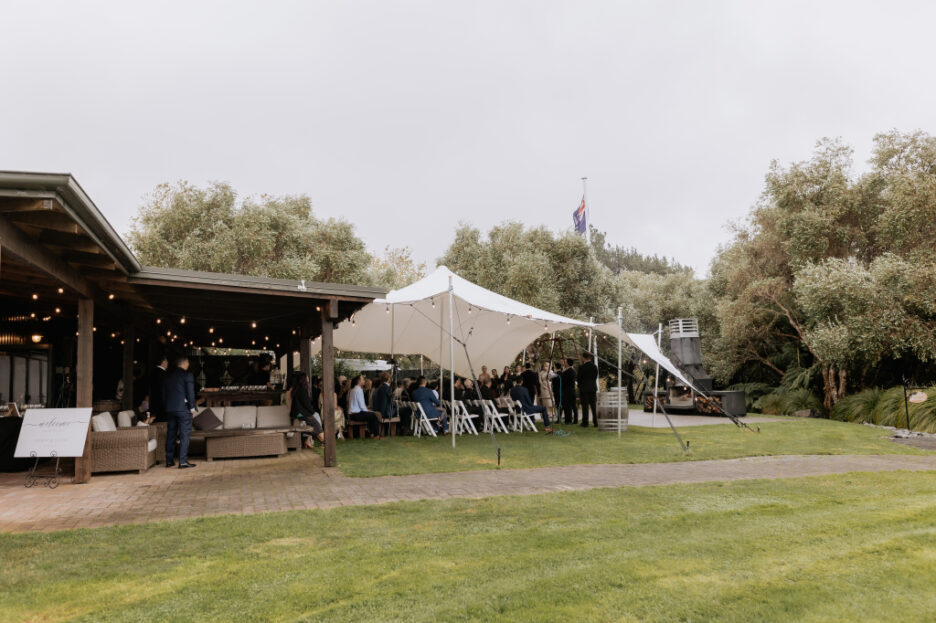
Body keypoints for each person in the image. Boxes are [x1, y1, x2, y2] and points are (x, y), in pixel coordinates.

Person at [163, 356, 197, 468]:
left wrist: (167, 406)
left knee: (171, 435)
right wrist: (192, 407)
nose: (188, 365)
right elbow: (190, 393)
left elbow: (164, 394)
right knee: (184, 435)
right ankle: (182, 461)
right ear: (185, 363)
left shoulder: (168, 376)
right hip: (183, 409)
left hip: (170, 409)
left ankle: (169, 461)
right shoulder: (187, 375)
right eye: (188, 363)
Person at [289, 372, 325, 448]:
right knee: (316, 424)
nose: (308, 378)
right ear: (304, 379)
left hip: (297, 413)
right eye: (307, 377)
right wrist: (312, 412)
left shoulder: (297, 389)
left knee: (313, 423)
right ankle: (324, 442)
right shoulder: (303, 390)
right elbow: (306, 404)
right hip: (301, 414)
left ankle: (308, 441)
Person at [578, 352, 599, 427]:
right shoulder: (595, 367)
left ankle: (585, 422)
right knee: (593, 406)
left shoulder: (582, 367)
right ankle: (595, 422)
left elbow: (579, 378)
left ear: (583, 358)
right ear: (590, 358)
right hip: (593, 388)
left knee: (585, 406)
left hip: (584, 389)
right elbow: (595, 377)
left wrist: (580, 386)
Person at [149, 356, 168, 423]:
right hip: (162, 403)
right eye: (166, 361)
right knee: (163, 423)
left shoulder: (153, 372)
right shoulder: (163, 374)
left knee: (156, 422)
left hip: (154, 402)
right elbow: (164, 390)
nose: (167, 363)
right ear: (163, 362)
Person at [560, 358, 578, 425]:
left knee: (567, 406)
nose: (564, 363)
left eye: (565, 362)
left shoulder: (568, 372)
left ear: (567, 363)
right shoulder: (572, 371)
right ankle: (573, 420)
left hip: (567, 391)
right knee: (573, 406)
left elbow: (564, 381)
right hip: (571, 390)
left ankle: (568, 420)